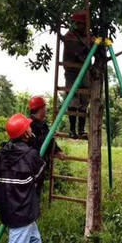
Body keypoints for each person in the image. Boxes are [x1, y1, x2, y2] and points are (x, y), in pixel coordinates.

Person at [0, 113, 46, 243]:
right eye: (28, 127)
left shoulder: (1, 153)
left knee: (35, 242)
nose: (31, 128)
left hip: (8, 207)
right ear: (25, 134)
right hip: (22, 211)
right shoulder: (31, 155)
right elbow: (39, 178)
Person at [63, 10, 91, 139]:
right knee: (73, 101)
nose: (85, 27)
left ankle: (81, 130)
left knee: (84, 100)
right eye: (83, 24)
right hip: (72, 73)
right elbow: (79, 54)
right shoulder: (70, 36)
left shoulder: (84, 35)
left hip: (83, 71)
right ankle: (72, 130)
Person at [28, 95, 66, 164]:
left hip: (35, 163)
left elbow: (49, 141)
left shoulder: (41, 124)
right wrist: (50, 135)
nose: (46, 110)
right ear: (41, 109)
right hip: (32, 163)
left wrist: (57, 151)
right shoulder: (30, 125)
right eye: (45, 107)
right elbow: (40, 142)